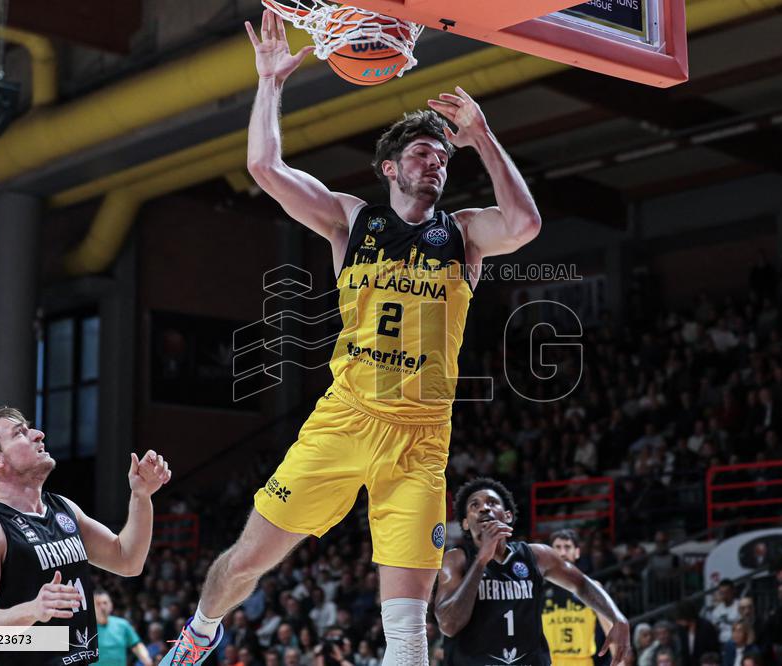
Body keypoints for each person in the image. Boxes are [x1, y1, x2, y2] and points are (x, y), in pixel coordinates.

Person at [161, 6, 542, 666]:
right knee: (249, 561)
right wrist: (270, 85)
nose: (437, 163)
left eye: (444, 157)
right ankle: (198, 631)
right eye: (423, 153)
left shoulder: (465, 234)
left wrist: (481, 137)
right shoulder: (350, 220)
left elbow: (527, 223)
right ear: (390, 168)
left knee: (409, 631)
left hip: (421, 441)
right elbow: (265, 167)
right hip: (345, 421)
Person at [0, 406, 172, 665]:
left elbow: (127, 560)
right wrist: (32, 610)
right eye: (20, 433)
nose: (38, 434)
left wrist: (141, 496)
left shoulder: (63, 508)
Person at [434, 478, 630, 666]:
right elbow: (448, 625)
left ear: (508, 516)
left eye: (492, 503)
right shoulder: (456, 559)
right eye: (474, 506)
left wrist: (617, 617)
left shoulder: (537, 556)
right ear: (466, 523)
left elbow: (582, 584)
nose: (484, 508)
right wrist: (481, 561)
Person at [541, 529, 611, 666]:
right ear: (550, 553)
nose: (562, 553)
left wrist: (620, 661)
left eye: (567, 547)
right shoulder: (539, 589)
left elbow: (610, 628)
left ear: (577, 552)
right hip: (550, 662)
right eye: (557, 547)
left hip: (582, 661)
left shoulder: (592, 587)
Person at [95, 588, 153, 666]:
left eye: (105, 603)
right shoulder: (86, 628)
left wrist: (147, 660)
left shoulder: (122, 624)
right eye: (98, 604)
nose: (102, 607)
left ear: (111, 605)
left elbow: (136, 645)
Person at [674, 602, 721, 666]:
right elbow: (684, 653)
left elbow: (713, 651)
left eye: (680, 619)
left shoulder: (706, 627)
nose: (677, 622)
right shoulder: (681, 629)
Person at [707, 580, 741, 644]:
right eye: (722, 593)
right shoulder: (716, 610)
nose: (724, 595)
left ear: (733, 591)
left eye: (727, 592)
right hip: (721, 642)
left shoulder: (740, 606)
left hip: (738, 641)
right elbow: (714, 630)